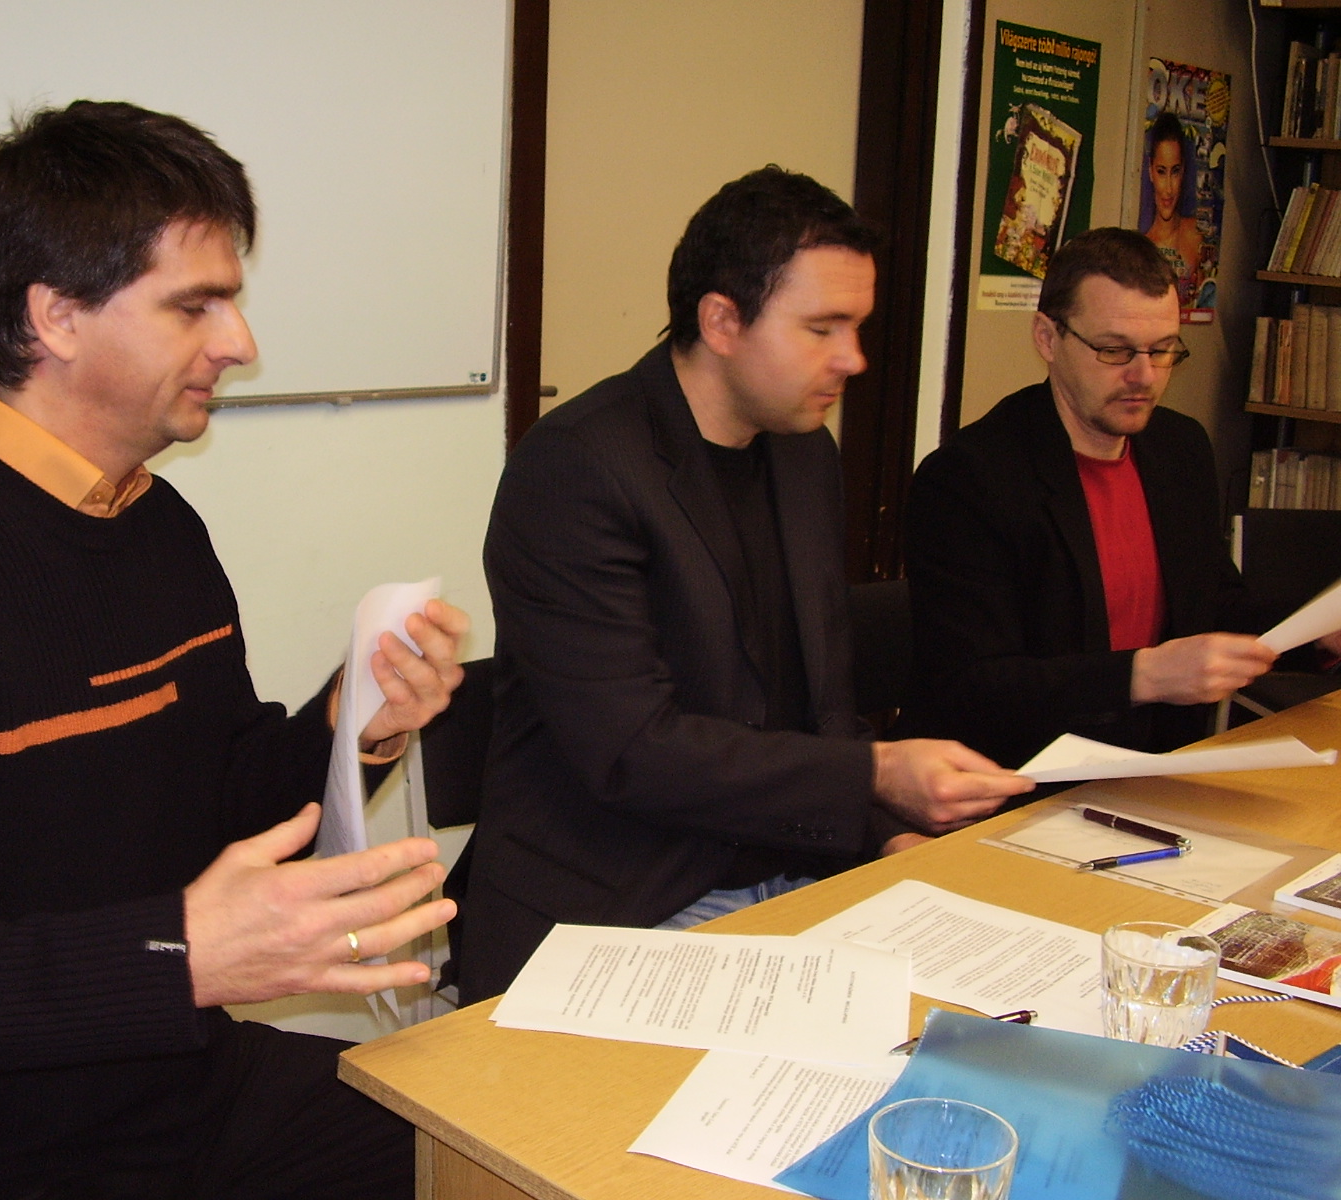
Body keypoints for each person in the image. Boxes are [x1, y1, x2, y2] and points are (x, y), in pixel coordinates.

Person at [0, 100, 468, 1200]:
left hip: (182, 1091)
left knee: (497, 1148)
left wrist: (349, 724)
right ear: (57, 317)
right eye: (195, 305)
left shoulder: (156, 524)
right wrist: (177, 955)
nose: (240, 344)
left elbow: (223, 800)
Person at [455, 167, 1032, 1005]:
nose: (854, 359)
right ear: (722, 321)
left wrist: (886, 837)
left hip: (793, 867)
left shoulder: (803, 452)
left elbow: (821, 707)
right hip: (624, 901)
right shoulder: (579, 468)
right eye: (823, 329)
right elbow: (632, 751)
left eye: (857, 327)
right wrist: (874, 775)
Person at [902, 226, 1295, 771]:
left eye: (1163, 350)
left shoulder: (1179, 448)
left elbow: (1213, 604)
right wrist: (1143, 675)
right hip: (1016, 777)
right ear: (1048, 338)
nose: (1144, 376)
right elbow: (973, 684)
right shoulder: (970, 478)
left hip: (1156, 768)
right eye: (1114, 351)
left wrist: (1315, 633)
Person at [1142, 113, 1204, 308]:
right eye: (1161, 172)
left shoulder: (1197, 235)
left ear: (1183, 171)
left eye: (1175, 171)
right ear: (1151, 171)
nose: (1168, 189)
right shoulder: (1143, 249)